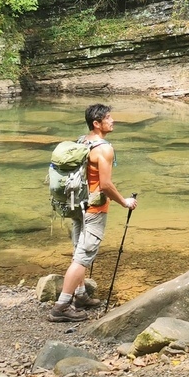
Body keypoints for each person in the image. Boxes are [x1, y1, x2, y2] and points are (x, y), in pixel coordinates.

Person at [48, 103, 137, 323]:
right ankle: (61, 306)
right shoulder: (104, 149)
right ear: (97, 123)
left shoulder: (82, 141)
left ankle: (80, 295)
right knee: (83, 257)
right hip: (94, 209)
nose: (113, 120)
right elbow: (105, 185)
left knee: (79, 249)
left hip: (77, 206)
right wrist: (125, 202)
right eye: (108, 118)